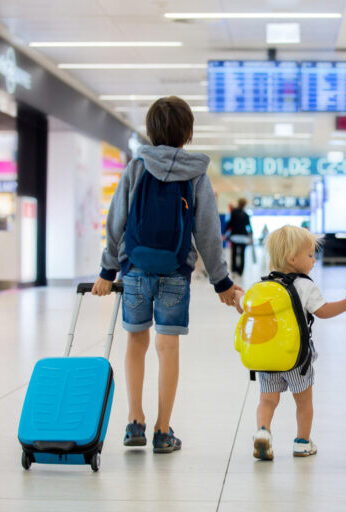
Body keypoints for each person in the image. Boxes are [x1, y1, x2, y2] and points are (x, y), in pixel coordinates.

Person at [92, 96, 242, 454]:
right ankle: (162, 430)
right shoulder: (196, 173)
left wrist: (107, 269)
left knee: (136, 342)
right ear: (188, 133)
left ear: (150, 130)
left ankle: (134, 420)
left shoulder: (136, 167)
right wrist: (221, 282)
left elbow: (117, 220)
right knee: (168, 345)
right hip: (176, 271)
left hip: (136, 270)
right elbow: (207, 231)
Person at [234, 225, 346, 460]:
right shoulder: (305, 285)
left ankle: (263, 431)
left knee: (267, 400)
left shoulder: (261, 286)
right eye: (310, 255)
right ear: (293, 259)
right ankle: (302, 442)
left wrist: (236, 297)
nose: (314, 259)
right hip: (296, 360)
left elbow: (244, 305)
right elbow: (322, 311)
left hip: (267, 360)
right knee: (303, 402)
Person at [226, 198, 253, 276]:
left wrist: (224, 233)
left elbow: (230, 224)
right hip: (243, 237)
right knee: (242, 254)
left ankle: (234, 269)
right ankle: (240, 271)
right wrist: (251, 237)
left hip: (235, 236)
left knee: (234, 253)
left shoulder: (234, 212)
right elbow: (249, 227)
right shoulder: (246, 215)